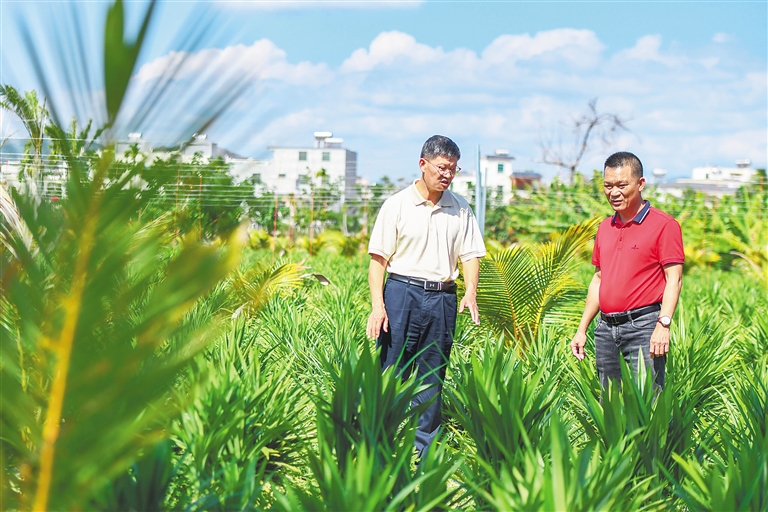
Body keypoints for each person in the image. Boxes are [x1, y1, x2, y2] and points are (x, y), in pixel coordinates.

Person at [366, 135, 486, 457]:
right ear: (423, 164)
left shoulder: (460, 209)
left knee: (432, 378)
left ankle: (424, 456)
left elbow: (470, 255)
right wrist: (378, 307)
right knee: (391, 374)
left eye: (453, 169)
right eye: (442, 167)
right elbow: (378, 261)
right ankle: (379, 449)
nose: (447, 175)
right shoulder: (396, 205)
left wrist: (470, 291)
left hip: (442, 299)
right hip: (401, 294)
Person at [570, 151, 684, 389]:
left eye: (622, 185)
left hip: (644, 327)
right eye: (608, 186)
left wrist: (663, 325)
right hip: (605, 330)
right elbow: (598, 279)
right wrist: (582, 329)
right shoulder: (605, 227)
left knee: (647, 401)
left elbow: (674, 279)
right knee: (609, 404)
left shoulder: (664, 225)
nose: (614, 192)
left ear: (640, 184)